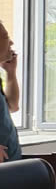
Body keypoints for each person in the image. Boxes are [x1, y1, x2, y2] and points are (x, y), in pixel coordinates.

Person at [0, 21, 21, 164]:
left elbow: (12, 106)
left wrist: (10, 73)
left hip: (10, 164)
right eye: (6, 37)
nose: (11, 42)